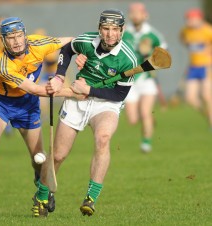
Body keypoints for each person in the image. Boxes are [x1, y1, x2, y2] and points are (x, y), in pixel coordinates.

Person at [0, 17, 76, 219]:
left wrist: (90, 48)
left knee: (37, 158)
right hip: (1, 102)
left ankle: (40, 182)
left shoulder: (38, 44)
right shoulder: (2, 63)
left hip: (27, 105)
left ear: (25, 35)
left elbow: (70, 41)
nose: (16, 41)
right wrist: (65, 91)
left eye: (18, 36)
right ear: (3, 40)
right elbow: (34, 88)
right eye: (10, 38)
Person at [32, 9, 137, 217]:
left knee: (103, 138)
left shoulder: (128, 59)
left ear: (122, 31)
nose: (110, 34)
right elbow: (67, 49)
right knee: (59, 155)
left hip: (106, 102)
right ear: (99, 29)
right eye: (106, 29)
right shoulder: (87, 41)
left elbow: (119, 93)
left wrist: (89, 90)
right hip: (76, 101)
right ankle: (43, 194)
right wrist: (60, 77)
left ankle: (90, 198)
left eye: (115, 29)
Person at [122, 2, 168, 152]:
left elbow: (163, 55)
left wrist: (150, 54)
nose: (135, 15)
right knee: (132, 119)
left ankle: (146, 142)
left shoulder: (153, 34)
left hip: (147, 78)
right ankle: (149, 121)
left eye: (138, 12)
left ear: (145, 15)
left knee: (145, 112)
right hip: (129, 80)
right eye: (133, 12)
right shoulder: (123, 32)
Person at [180, 8, 212, 130]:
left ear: (199, 19)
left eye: (192, 19)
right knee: (190, 98)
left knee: (206, 96)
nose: (189, 21)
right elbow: (182, 38)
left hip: (207, 66)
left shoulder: (208, 30)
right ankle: (208, 114)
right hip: (193, 67)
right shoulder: (186, 31)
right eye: (188, 19)